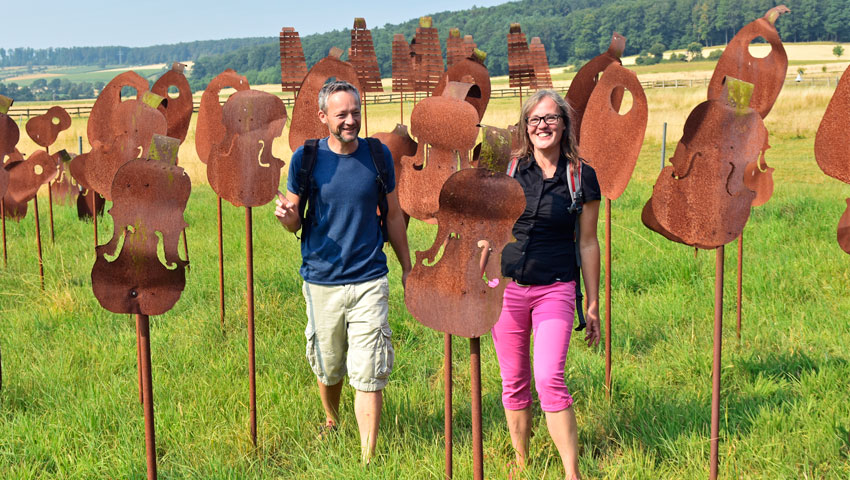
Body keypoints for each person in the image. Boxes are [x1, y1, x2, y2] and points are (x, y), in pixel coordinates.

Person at [275, 80, 412, 464]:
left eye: (355, 112)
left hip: (370, 276)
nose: (351, 120)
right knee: (330, 363)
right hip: (321, 278)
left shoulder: (377, 154)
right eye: (341, 115)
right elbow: (293, 221)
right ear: (323, 117)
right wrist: (287, 218)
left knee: (368, 369)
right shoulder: (308, 158)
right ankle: (332, 420)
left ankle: (368, 457)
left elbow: (395, 215)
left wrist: (407, 267)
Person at [495, 89, 601, 479]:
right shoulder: (509, 172)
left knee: (548, 377)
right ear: (526, 127)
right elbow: (488, 229)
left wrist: (592, 304)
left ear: (564, 124)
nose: (543, 126)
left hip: (555, 288)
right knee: (514, 380)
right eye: (535, 120)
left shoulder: (580, 177)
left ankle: (572, 473)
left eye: (551, 118)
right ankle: (520, 462)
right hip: (506, 289)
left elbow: (588, 242)